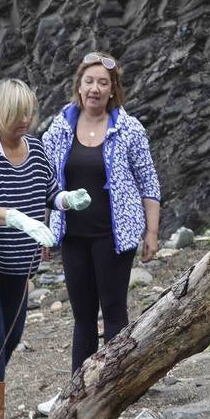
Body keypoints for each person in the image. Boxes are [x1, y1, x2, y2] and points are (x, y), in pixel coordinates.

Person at [0, 79, 92, 419]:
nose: (24, 121)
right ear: (0, 113)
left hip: (18, 262)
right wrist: (18, 219)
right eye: (17, 115)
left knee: (10, 339)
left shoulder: (36, 149)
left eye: (29, 113)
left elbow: (49, 191)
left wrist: (67, 200)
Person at [43, 52, 161, 376]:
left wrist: (151, 233)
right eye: (89, 81)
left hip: (113, 234)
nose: (95, 88)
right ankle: (79, 387)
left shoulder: (128, 128)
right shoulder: (59, 127)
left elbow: (148, 181)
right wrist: (43, 229)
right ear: (79, 87)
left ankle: (116, 382)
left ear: (113, 90)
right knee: (82, 315)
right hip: (72, 234)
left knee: (113, 310)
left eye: (103, 83)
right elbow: (44, 179)